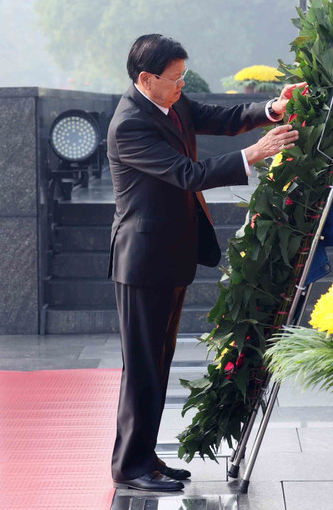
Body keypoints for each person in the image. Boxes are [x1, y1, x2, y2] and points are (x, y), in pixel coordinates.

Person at [106, 34, 303, 492]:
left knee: (157, 363)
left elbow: (219, 116)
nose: (181, 86)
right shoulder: (130, 125)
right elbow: (186, 174)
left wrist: (272, 109)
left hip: (169, 256)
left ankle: (145, 457)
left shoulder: (169, 103)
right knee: (142, 368)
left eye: (182, 78)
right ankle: (130, 466)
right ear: (145, 79)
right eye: (174, 79)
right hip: (141, 262)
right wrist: (254, 154)